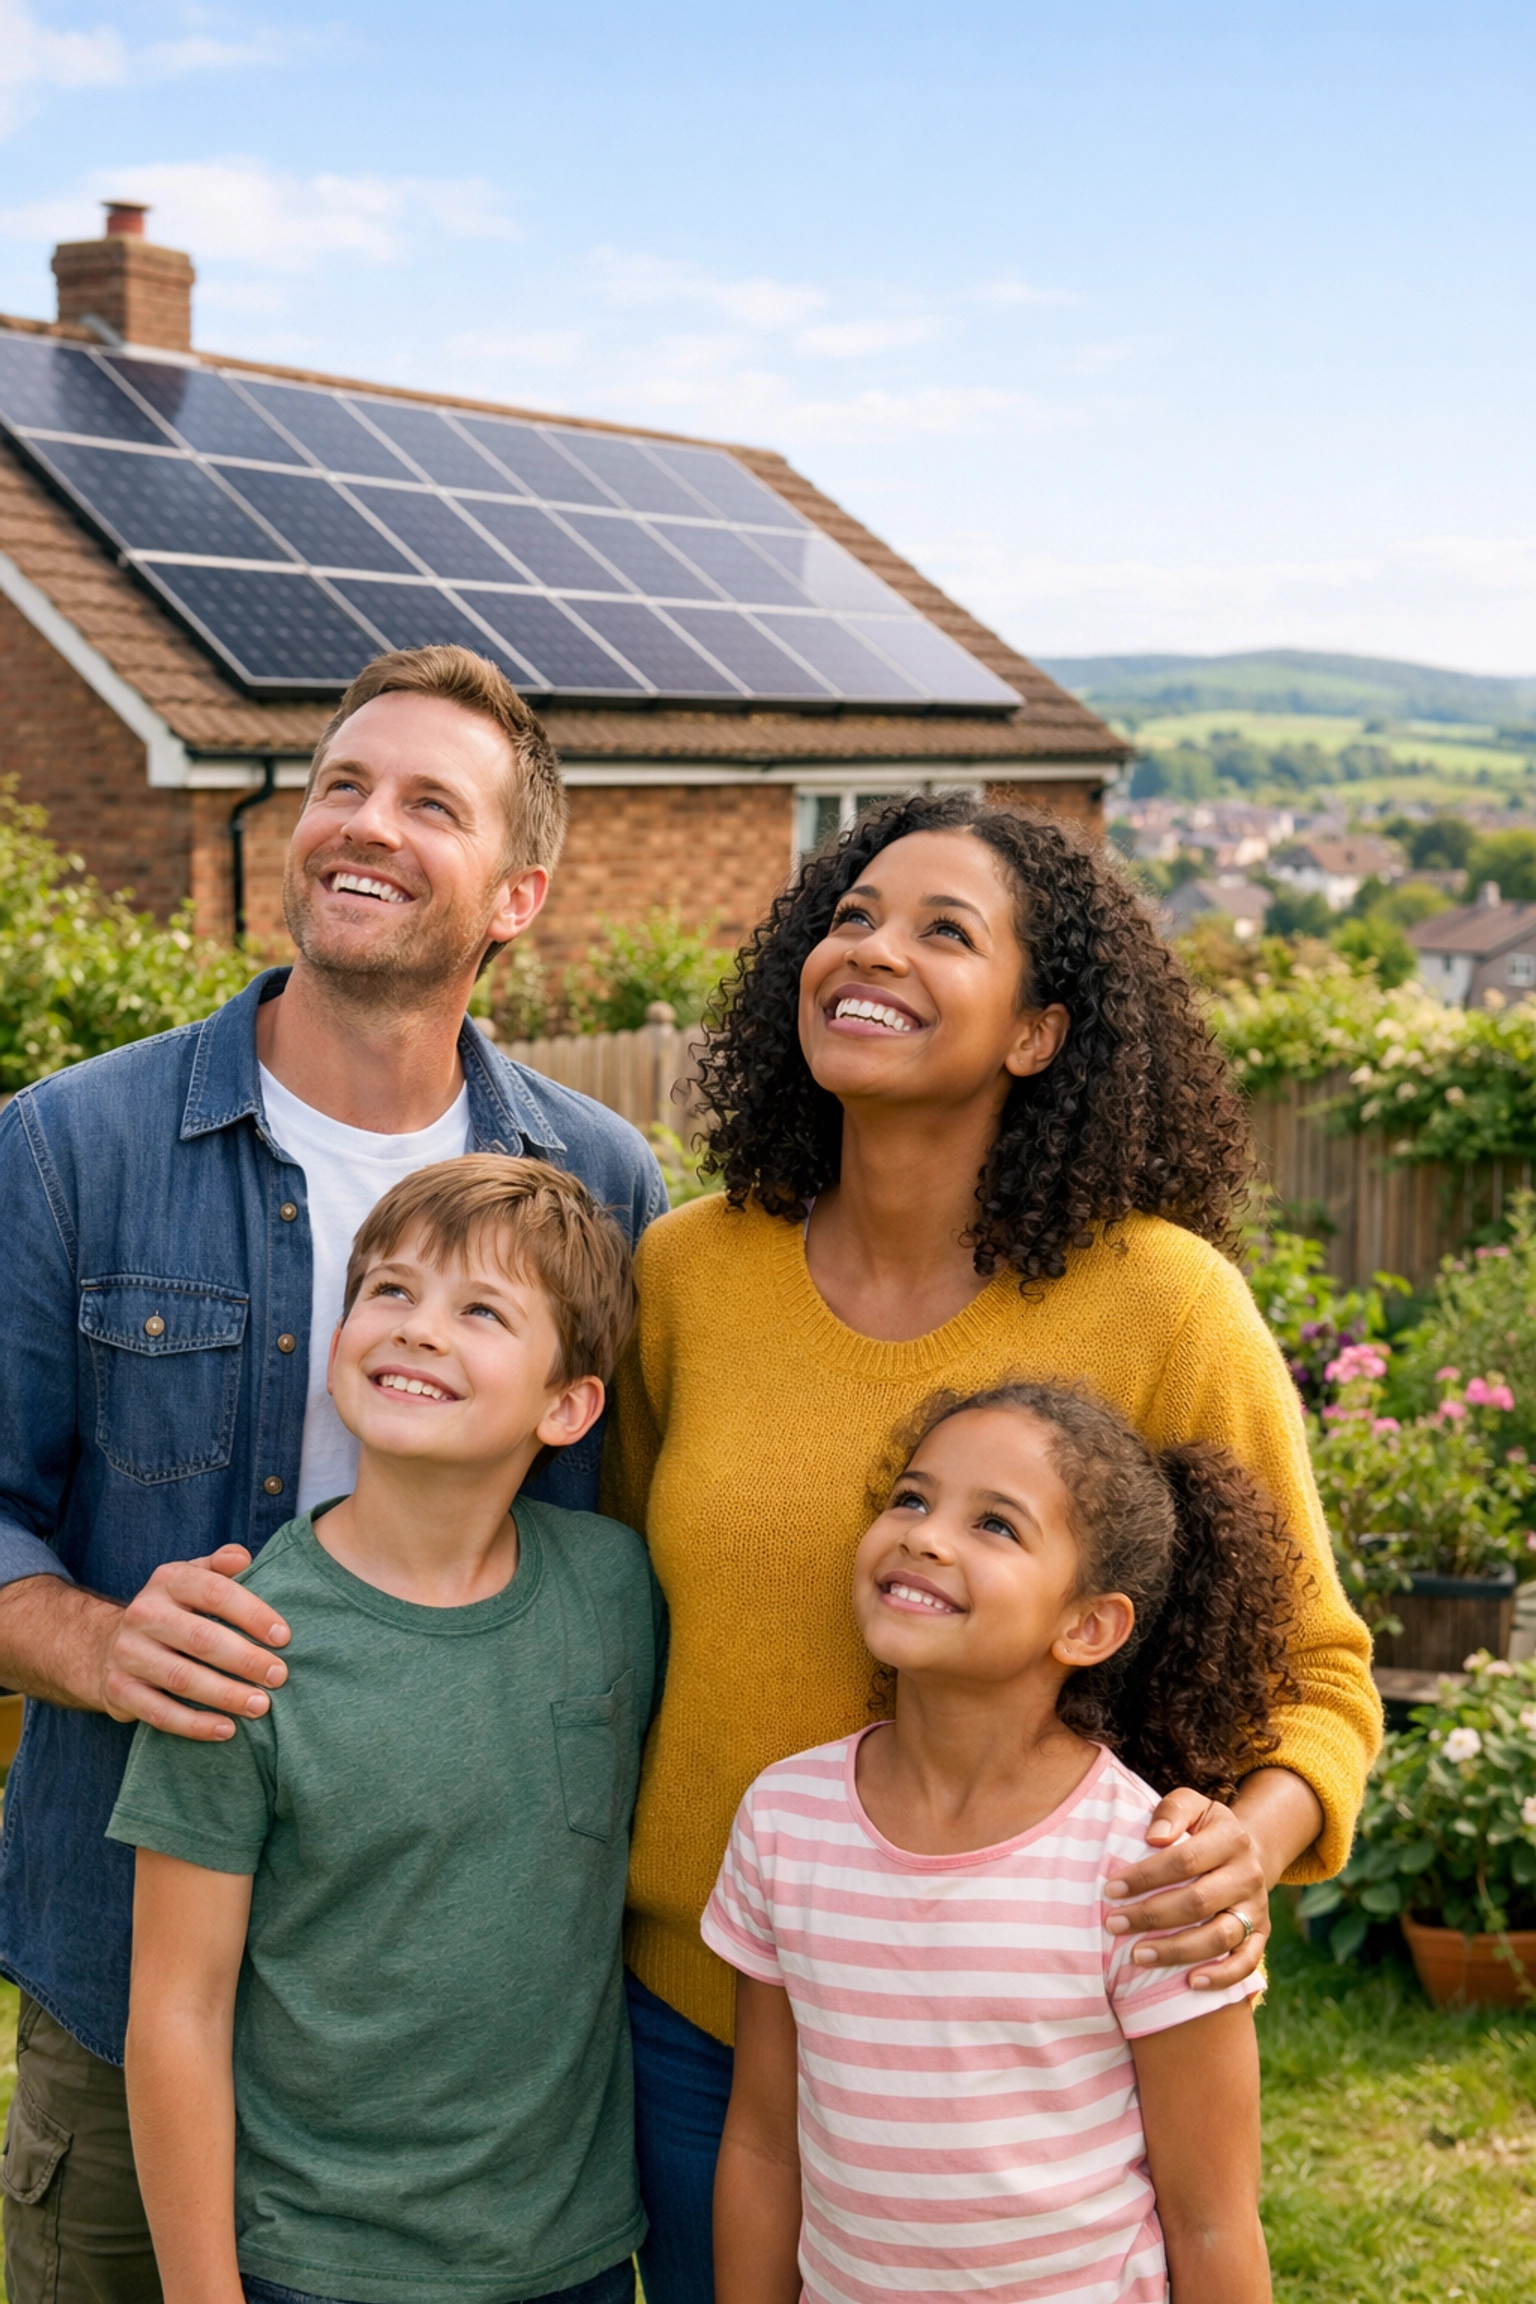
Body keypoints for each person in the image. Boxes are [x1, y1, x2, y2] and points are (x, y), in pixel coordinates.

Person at [606, 793, 1378, 2304]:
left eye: (943, 932)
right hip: (700, 2031)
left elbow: (1321, 1673)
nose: (871, 951)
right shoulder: (687, 1273)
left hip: (1030, 2052)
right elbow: (611, 1608)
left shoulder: (1168, 1306)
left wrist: (1254, 1843)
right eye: (850, 918)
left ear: (1038, 1032)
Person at [0, 646, 667, 2303]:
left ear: (515, 892)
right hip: (131, 1958)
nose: (361, 824)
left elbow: (614, 1542)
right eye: (341, 785)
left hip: (455, 2031)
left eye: (428, 802)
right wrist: (88, 1639)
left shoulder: (596, 1176)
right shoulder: (71, 1145)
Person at [111, 1156, 662, 2304]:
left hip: (571, 2256)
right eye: (392, 1292)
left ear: (568, 1406)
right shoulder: (240, 1643)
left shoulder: (615, 1592)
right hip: (317, 2261)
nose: (419, 1330)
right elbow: (176, 2009)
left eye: (481, 1311)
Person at [706, 1382, 1284, 2304]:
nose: (926, 1536)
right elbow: (766, 2148)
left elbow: (1211, 2218)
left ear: (1088, 1626)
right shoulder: (784, 1821)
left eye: (997, 1526)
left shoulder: (1152, 1868)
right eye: (912, 1498)